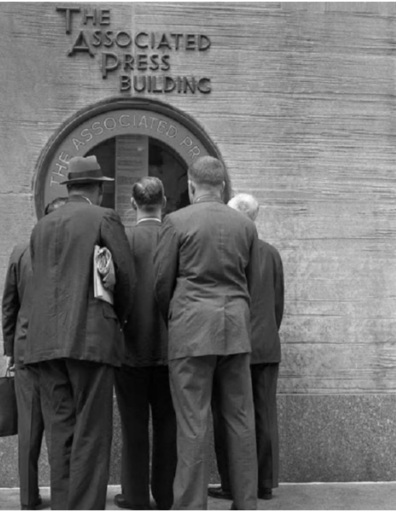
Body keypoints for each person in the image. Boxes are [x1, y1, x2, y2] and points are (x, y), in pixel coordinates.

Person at [23, 156, 136, 509]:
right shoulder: (104, 217)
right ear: (98, 188)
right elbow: (126, 276)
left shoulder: (42, 226)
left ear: (70, 187)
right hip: (90, 338)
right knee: (92, 431)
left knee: (61, 432)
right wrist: (121, 319)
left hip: (45, 343)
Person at [154, 156, 259, 509]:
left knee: (192, 424)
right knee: (241, 421)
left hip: (191, 329)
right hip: (236, 329)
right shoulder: (245, 225)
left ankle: (190, 506)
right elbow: (253, 282)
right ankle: (245, 503)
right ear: (224, 186)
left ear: (191, 186)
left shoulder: (176, 221)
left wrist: (175, 317)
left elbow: (160, 283)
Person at [209, 193, 285, 502]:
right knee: (264, 414)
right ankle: (264, 483)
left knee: (228, 415)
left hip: (231, 344)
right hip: (265, 343)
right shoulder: (271, 253)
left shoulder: (225, 252)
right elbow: (277, 304)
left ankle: (233, 483)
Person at [1, 197, 67, 511]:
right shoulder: (69, 254)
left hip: (26, 349)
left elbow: (9, 306)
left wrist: (9, 349)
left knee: (28, 428)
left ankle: (28, 498)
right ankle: (62, 497)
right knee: (59, 427)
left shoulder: (20, 252)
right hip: (56, 351)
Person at [114, 177, 175, 511]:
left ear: (132, 203)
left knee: (133, 426)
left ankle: (135, 495)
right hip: (171, 348)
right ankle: (165, 494)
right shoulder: (174, 235)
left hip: (129, 346)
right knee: (168, 425)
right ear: (164, 202)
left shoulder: (122, 237)